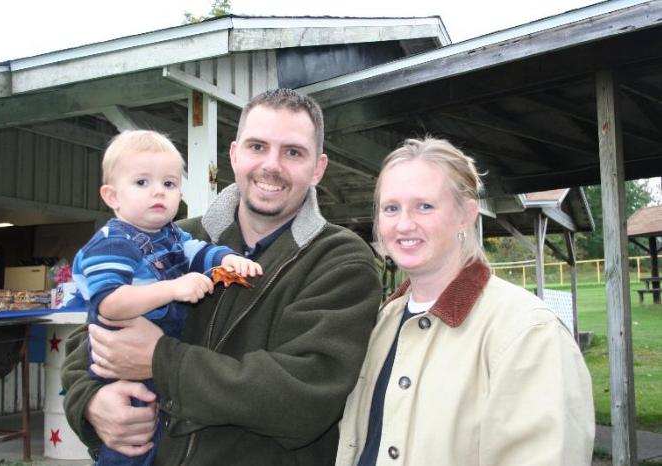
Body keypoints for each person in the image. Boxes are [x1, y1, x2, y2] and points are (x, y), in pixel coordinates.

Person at [61, 89, 382, 465]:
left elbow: (305, 396)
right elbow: (89, 336)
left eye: (293, 152)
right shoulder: (171, 238)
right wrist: (92, 403)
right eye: (257, 146)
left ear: (318, 168)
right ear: (234, 154)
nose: (272, 165)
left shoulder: (339, 259)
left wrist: (162, 362)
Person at [335, 137, 595, 466]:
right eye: (391, 208)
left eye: (424, 206)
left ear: (466, 215)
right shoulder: (383, 322)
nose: (403, 224)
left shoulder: (528, 332)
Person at [71, 129, 262, 466]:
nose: (158, 191)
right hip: (122, 370)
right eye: (142, 183)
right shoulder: (112, 243)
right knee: (133, 443)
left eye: (169, 184)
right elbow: (109, 303)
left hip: (158, 365)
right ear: (112, 196)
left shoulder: (171, 235)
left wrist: (228, 260)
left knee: (157, 440)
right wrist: (173, 288)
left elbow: (200, 252)